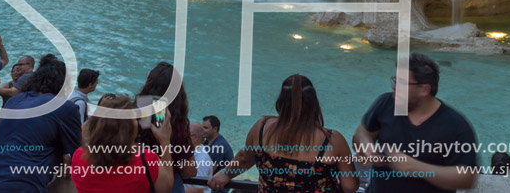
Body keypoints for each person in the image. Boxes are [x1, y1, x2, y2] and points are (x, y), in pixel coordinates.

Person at [209, 74, 358, 193]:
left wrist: (226, 174)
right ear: (313, 103)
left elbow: (245, 158)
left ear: (281, 101)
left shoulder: (261, 128)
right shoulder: (332, 140)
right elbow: (350, 186)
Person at [353, 52, 478, 191]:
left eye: (402, 83)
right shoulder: (386, 103)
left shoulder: (455, 126)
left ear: (424, 89)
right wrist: (367, 147)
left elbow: (467, 178)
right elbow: (363, 131)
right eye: (395, 80)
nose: (394, 87)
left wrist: (416, 167)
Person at [0, 57, 82, 192]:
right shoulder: (65, 108)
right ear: (62, 84)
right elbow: (77, 154)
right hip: (28, 186)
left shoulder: (14, 101)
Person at [71, 93, 174, 192]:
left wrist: (101, 114)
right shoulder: (147, 161)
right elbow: (166, 188)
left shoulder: (79, 157)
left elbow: (83, 130)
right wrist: (165, 141)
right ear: (131, 131)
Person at [136, 61, 197, 193]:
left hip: (137, 178)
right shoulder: (177, 123)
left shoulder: (134, 113)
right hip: (168, 182)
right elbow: (190, 171)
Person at [185, 121, 214, 193]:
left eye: (186, 135)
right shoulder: (194, 153)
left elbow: (198, 189)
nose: (183, 137)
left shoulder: (202, 159)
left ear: (196, 137)